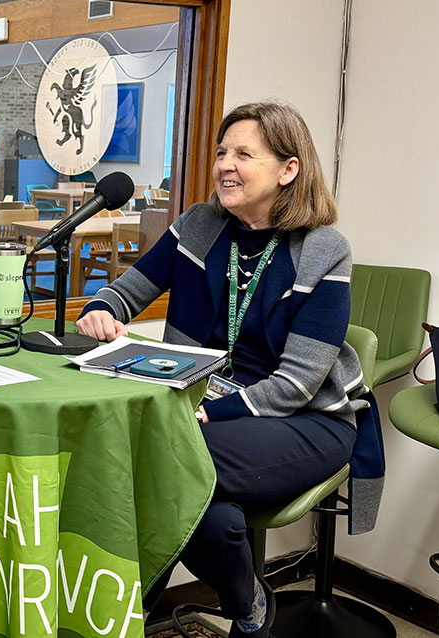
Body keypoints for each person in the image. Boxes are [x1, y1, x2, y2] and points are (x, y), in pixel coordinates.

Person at [76, 101, 380, 637]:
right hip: (208, 409)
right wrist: (101, 309)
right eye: (221, 152)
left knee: (163, 455)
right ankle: (249, 605)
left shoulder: (324, 250)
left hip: (305, 419)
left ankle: (130, 609)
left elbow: (298, 383)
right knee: (213, 514)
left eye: (243, 153)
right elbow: (127, 291)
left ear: (288, 170)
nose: (224, 165)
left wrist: (209, 414)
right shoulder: (200, 224)